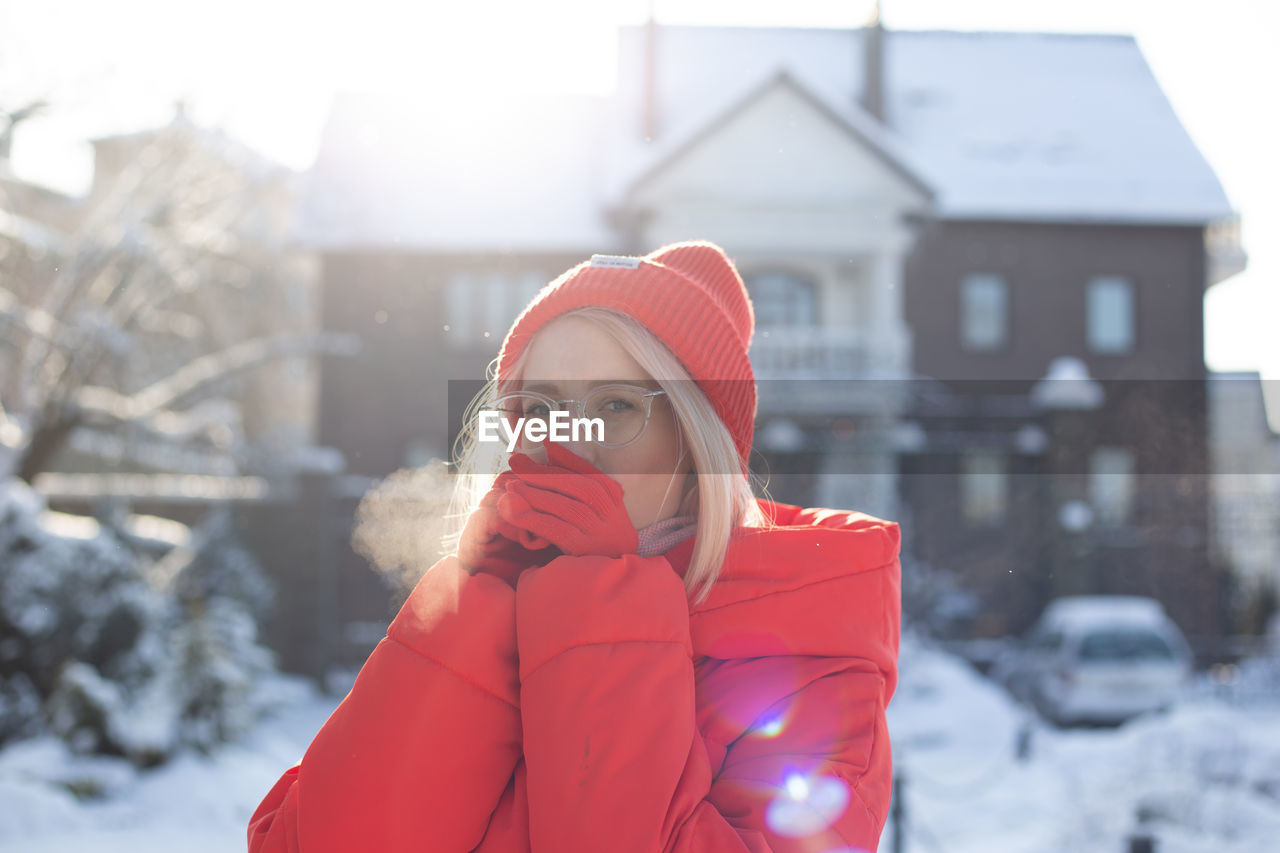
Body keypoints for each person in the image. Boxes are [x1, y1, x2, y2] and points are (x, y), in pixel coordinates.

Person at [247, 240, 901, 852]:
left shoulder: (816, 665)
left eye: (616, 406)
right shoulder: (492, 602)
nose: (571, 442)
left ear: (698, 442)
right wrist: (470, 614)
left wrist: (603, 602)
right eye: (542, 408)